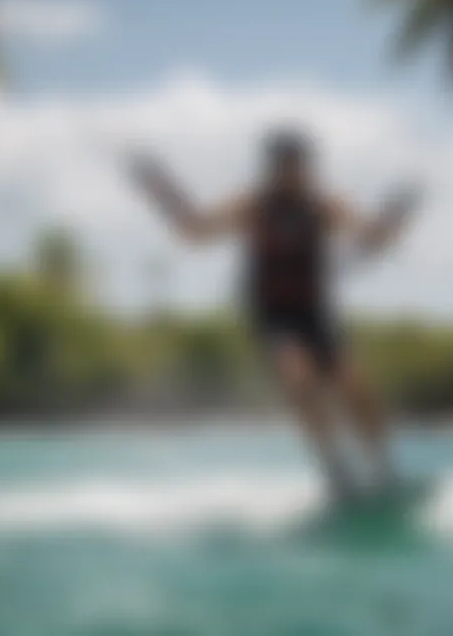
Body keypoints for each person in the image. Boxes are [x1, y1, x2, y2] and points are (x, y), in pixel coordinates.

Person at [131, 129, 419, 502]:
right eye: (282, 165)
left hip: (316, 314)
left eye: (297, 165)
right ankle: (336, 472)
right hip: (272, 315)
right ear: (271, 169)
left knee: (355, 387)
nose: (291, 172)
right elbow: (195, 232)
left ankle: (385, 470)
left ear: (308, 168)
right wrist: (161, 190)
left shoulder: (325, 207)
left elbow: (370, 240)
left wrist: (395, 215)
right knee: (299, 377)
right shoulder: (252, 207)